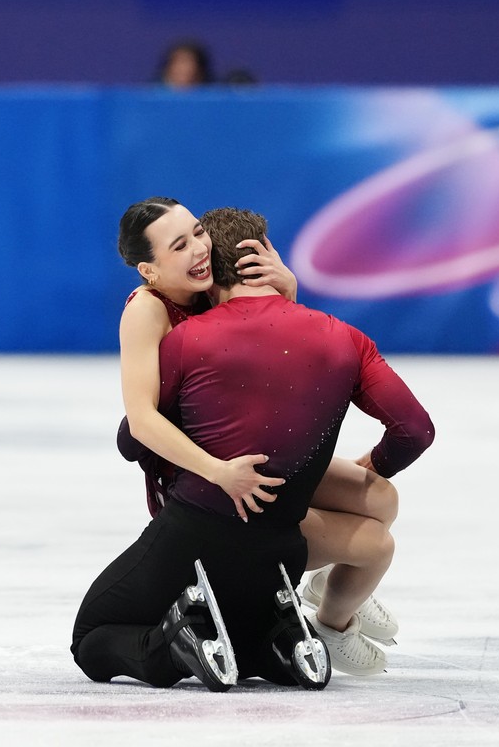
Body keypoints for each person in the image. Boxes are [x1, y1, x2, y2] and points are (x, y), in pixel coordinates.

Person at [72, 206, 435, 690]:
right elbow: (137, 428)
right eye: (179, 246)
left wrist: (288, 296)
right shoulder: (150, 310)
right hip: (207, 471)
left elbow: (267, 345)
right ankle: (317, 616)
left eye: (198, 233)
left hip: (235, 489)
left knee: (380, 497)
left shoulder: (201, 312)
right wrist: (218, 467)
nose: (198, 248)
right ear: (150, 270)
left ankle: (325, 597)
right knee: (368, 531)